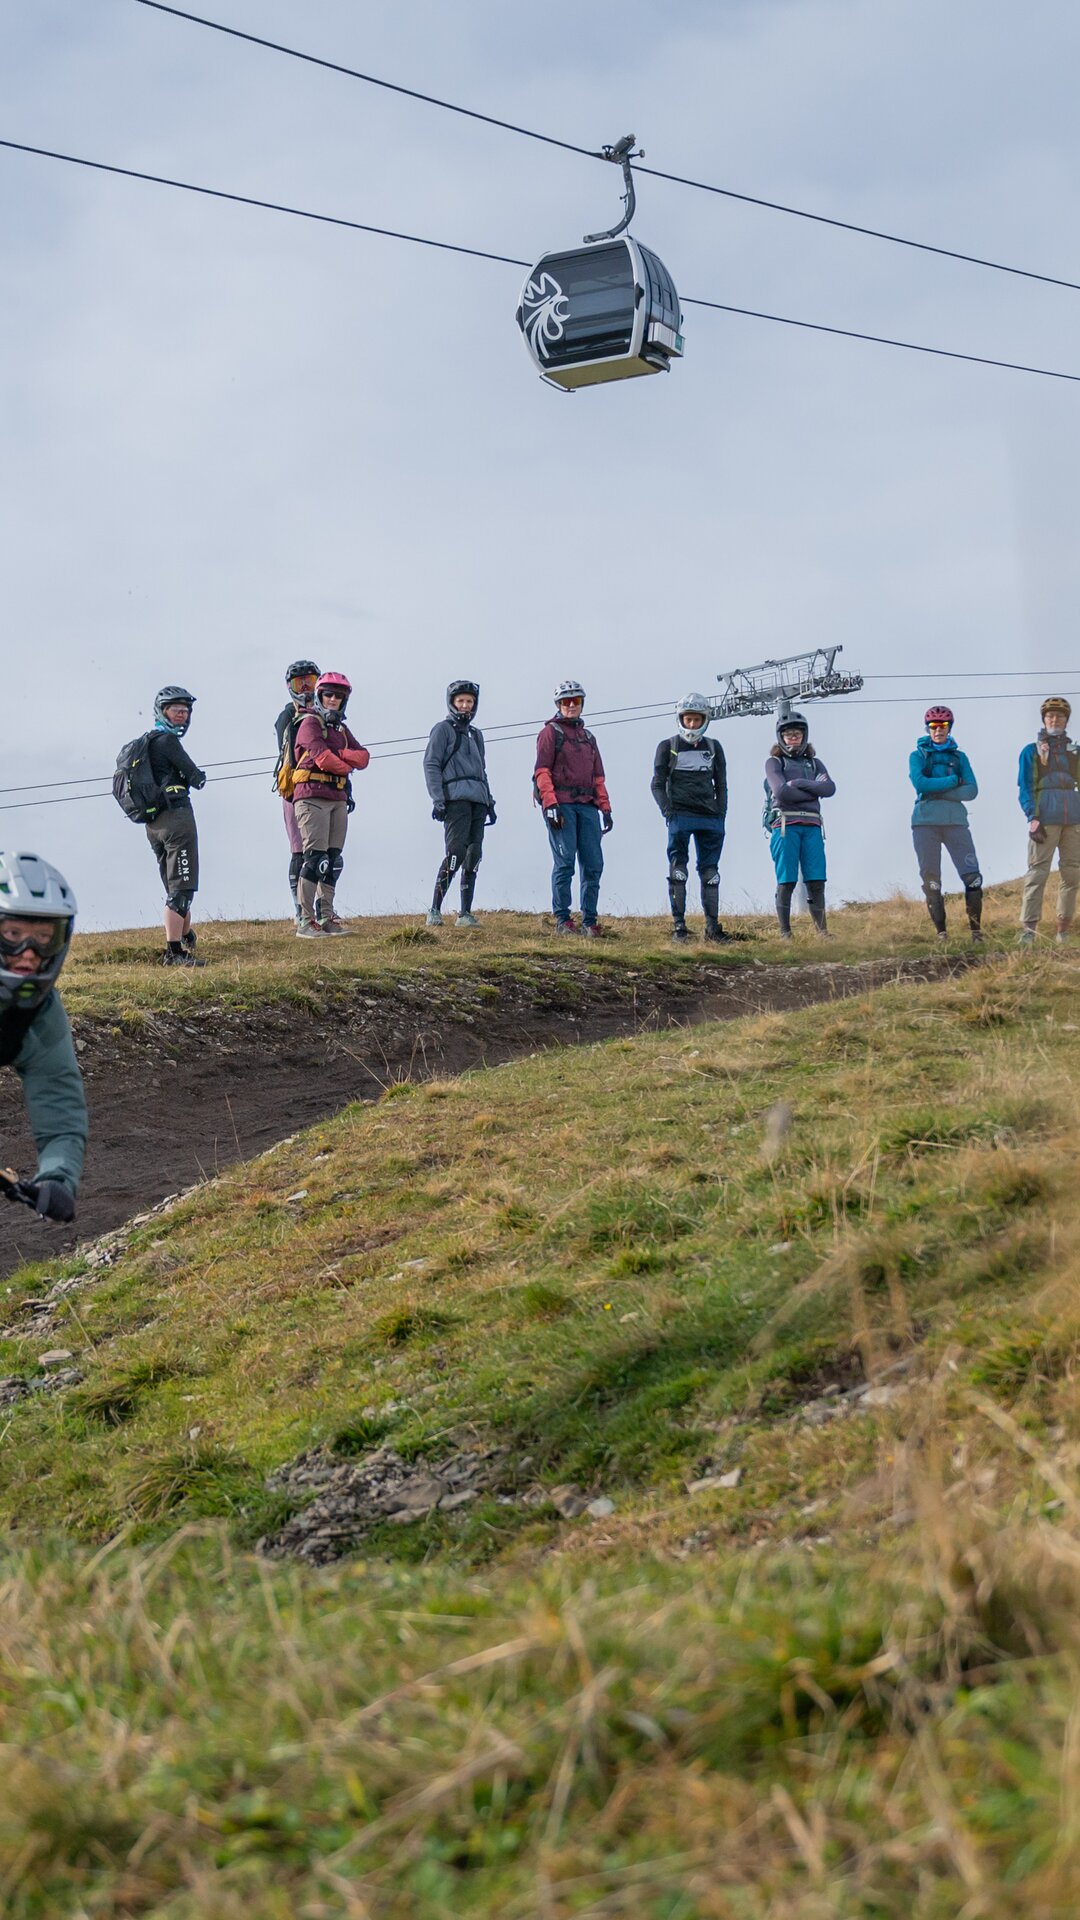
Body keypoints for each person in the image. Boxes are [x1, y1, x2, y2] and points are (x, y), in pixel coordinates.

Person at [0, 851, 87, 1224]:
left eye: (43, 938)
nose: (28, 953)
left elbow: (60, 1109)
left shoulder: (40, 1014)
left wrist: (58, 1176)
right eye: (13, 935)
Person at [292, 672, 370, 938]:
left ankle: (326, 916)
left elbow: (364, 757)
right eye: (328, 694)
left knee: (333, 860)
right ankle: (305, 920)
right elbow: (323, 760)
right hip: (311, 795)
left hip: (337, 797)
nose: (333, 699)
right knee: (315, 858)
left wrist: (341, 756)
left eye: (338, 696)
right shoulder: (309, 723)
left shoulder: (341, 730)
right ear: (319, 696)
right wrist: (346, 762)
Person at [534, 680, 612, 936]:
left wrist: (605, 808)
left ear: (582, 704)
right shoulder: (550, 733)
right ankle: (563, 919)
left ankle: (590, 921)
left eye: (575, 701)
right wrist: (550, 804)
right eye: (566, 701)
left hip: (587, 807)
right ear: (558, 705)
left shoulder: (588, 738)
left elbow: (598, 777)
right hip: (562, 805)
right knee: (565, 862)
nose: (571, 705)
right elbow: (542, 771)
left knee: (593, 864)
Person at [651, 694, 729, 944]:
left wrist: (721, 814)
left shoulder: (714, 747)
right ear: (680, 719)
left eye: (697, 720)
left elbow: (722, 784)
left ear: (705, 720)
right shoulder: (667, 746)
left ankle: (713, 929)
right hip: (680, 817)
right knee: (678, 872)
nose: (692, 725)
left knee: (711, 874)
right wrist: (668, 812)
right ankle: (680, 928)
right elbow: (657, 784)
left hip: (710, 818)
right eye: (688, 719)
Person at [423, 680, 496, 928]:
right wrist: (437, 799)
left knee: (474, 855)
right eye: (461, 701)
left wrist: (490, 801)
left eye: (470, 702)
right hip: (455, 800)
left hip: (479, 801)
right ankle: (435, 910)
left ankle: (465, 913)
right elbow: (431, 764)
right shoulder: (442, 730)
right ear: (452, 703)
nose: (465, 706)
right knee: (455, 853)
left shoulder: (477, 735)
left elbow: (482, 770)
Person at [908, 705, 982, 942]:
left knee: (973, 878)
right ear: (928, 729)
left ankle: (976, 933)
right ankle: (942, 934)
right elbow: (920, 784)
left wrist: (936, 791)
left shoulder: (960, 757)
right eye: (933, 726)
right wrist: (952, 781)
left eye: (943, 726)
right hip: (924, 823)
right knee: (932, 882)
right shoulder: (918, 756)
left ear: (949, 728)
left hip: (955, 822)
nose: (938, 730)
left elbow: (972, 791)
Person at [145, 686, 207, 968]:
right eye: (175, 710)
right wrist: (196, 777)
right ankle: (174, 952)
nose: (182, 715)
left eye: (185, 710)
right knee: (182, 887)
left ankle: (185, 934)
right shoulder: (167, 741)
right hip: (176, 817)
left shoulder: (147, 743)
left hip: (153, 823)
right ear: (162, 711)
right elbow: (194, 775)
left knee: (174, 884)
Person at [763, 712, 836, 937]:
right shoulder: (774, 762)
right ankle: (785, 933)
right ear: (781, 737)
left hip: (812, 826)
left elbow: (829, 788)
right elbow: (781, 792)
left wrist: (799, 783)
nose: (793, 738)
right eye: (788, 734)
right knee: (787, 880)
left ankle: (822, 932)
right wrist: (812, 791)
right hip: (786, 826)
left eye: (797, 733)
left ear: (804, 735)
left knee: (817, 880)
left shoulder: (815, 763)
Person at [1017, 696, 1080, 945]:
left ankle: (1063, 930)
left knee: (1072, 874)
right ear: (1044, 720)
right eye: (1050, 716)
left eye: (1060, 716)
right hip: (1044, 819)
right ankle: (1028, 930)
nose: (1055, 720)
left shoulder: (1075, 752)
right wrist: (1032, 817)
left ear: (1066, 721)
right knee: (1037, 873)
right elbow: (1025, 786)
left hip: (1074, 820)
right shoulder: (1031, 751)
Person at [275, 659, 320, 926]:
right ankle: (300, 909)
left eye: (309, 681)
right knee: (299, 851)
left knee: (322, 852)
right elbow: (289, 755)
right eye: (299, 682)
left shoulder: (328, 714)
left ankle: (321, 908)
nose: (305, 687)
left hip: (322, 788)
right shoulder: (286, 716)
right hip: (294, 789)